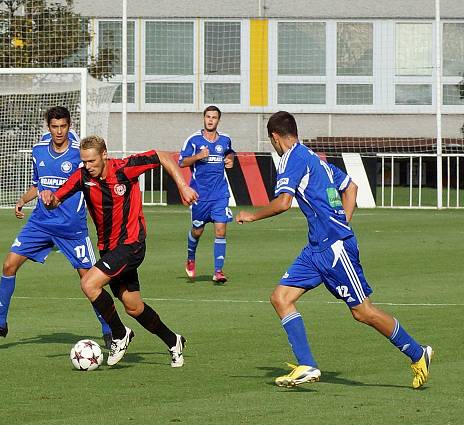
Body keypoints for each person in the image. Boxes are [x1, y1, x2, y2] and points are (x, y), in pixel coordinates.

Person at [235, 111, 432, 388]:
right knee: (280, 298)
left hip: (335, 249)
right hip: (317, 247)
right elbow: (350, 187)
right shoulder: (315, 158)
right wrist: (342, 221)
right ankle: (307, 365)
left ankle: (417, 352)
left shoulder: (292, 158)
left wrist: (251, 216)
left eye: (272, 141)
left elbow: (282, 203)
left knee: (362, 312)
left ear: (275, 137)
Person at [41, 136, 198, 368]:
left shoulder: (125, 168)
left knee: (89, 284)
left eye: (92, 161)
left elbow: (162, 156)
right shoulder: (83, 176)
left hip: (131, 244)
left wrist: (183, 186)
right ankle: (173, 341)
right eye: (84, 161)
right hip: (108, 249)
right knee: (134, 307)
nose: (88, 166)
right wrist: (49, 198)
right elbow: (57, 199)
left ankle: (118, 333)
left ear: (104, 155)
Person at [0, 106, 112, 347]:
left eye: (63, 126)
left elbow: (96, 180)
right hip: (40, 223)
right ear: (48, 127)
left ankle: (110, 331)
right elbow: (39, 184)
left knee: (89, 281)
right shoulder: (38, 150)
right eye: (54, 126)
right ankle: (0, 324)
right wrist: (22, 200)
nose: (59, 131)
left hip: (71, 228)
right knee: (8, 264)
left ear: (70, 126)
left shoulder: (80, 153)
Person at [179, 105, 235, 283]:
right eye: (208, 117)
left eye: (214, 117)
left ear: (219, 120)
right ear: (204, 118)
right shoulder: (194, 140)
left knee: (221, 230)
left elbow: (230, 152)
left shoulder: (225, 140)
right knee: (197, 231)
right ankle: (190, 257)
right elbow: (182, 162)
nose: (211, 120)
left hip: (220, 195)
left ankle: (218, 271)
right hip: (200, 196)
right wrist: (197, 157)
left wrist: (230, 159)